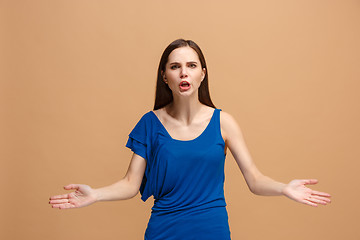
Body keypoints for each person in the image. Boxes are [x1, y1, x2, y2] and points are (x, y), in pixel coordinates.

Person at [49, 39, 331, 240]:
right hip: (164, 230)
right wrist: (95, 194)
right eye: (175, 66)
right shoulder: (150, 123)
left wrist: (284, 188)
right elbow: (130, 184)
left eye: (191, 65)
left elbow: (255, 180)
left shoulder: (224, 122)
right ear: (165, 76)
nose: (184, 71)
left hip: (213, 230)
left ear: (202, 74)